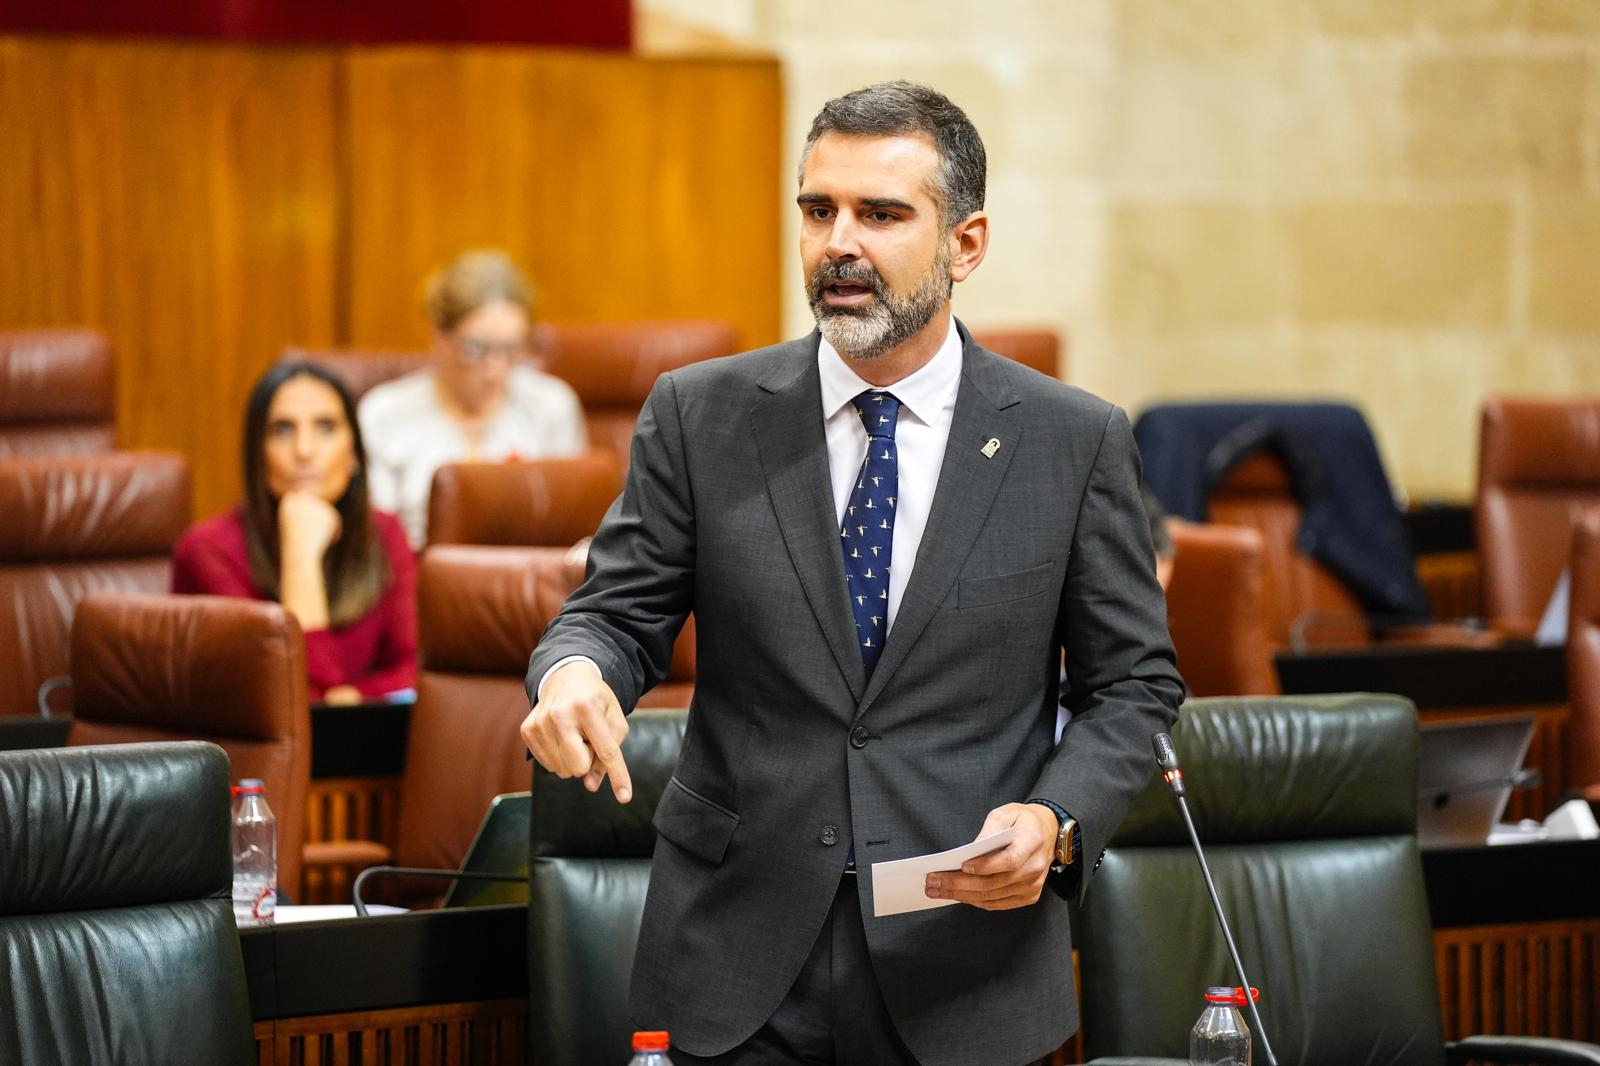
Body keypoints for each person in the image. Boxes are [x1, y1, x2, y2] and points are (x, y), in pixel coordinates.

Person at [521, 82, 1184, 1066]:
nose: (839, 241)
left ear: (965, 244)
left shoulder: (1071, 439)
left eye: (880, 214)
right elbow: (615, 617)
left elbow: (1133, 688)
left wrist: (1055, 819)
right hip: (733, 964)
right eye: (817, 209)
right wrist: (573, 673)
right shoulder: (700, 414)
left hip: (965, 969)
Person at [173, 361, 417, 705]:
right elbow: (296, 703)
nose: (304, 450)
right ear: (258, 455)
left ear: (355, 455)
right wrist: (301, 552)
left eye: (326, 427)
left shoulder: (385, 533)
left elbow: (415, 671)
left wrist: (349, 699)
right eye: (282, 430)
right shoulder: (207, 551)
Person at [358, 249, 587, 548]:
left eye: (511, 349)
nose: (495, 369)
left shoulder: (551, 405)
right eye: (476, 349)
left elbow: (573, 523)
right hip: (420, 580)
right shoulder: (384, 413)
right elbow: (379, 541)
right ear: (438, 332)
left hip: (528, 580)